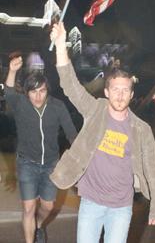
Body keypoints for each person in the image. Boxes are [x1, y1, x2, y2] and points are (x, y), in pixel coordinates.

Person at [49, 22, 155, 243]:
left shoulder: (141, 129)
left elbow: (153, 171)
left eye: (125, 90)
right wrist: (60, 45)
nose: (120, 95)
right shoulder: (95, 111)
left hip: (121, 207)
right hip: (91, 202)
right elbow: (70, 85)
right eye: (115, 90)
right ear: (106, 92)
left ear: (131, 95)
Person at [4, 54, 77, 243]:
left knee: (48, 207)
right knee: (28, 208)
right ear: (27, 92)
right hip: (27, 163)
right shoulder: (21, 104)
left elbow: (71, 133)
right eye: (33, 92)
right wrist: (12, 70)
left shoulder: (57, 107)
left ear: (47, 91)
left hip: (51, 165)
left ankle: (39, 225)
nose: (38, 96)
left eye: (42, 91)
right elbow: (10, 92)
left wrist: (81, 157)